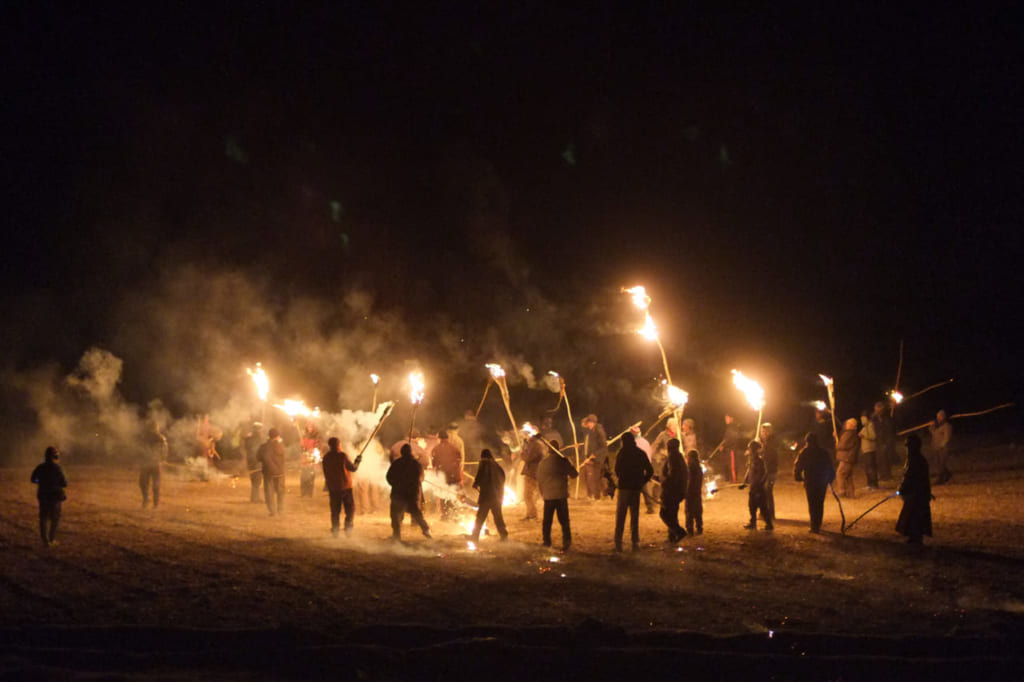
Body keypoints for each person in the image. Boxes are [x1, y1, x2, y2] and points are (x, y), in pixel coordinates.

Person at [612, 432, 655, 551]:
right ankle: (635, 542)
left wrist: (622, 478)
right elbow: (650, 471)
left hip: (624, 488)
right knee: (634, 516)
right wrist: (642, 481)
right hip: (636, 488)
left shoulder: (621, 453)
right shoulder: (640, 453)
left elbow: (617, 470)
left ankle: (618, 543)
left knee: (621, 516)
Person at [537, 440, 578, 551]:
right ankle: (566, 542)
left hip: (549, 496)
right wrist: (570, 464)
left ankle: (546, 541)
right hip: (560, 495)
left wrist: (542, 493)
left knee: (547, 521)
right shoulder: (563, 461)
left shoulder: (543, 462)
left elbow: (539, 480)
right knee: (564, 520)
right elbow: (574, 474)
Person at [386, 444, 431, 541]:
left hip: (398, 493)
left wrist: (395, 484)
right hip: (411, 494)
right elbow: (421, 478)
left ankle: (396, 535)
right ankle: (426, 531)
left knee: (395, 515)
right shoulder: (416, 464)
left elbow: (389, 477)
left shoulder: (396, 463)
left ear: (402, 453)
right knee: (417, 514)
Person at [793, 432, 836, 533]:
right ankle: (817, 524)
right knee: (819, 503)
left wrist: (798, 477)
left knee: (812, 503)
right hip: (822, 481)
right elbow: (830, 466)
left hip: (810, 481)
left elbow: (798, 466)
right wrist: (830, 478)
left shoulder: (804, 452)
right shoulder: (823, 452)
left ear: (807, 441)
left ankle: (814, 526)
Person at [896, 434, 933, 544]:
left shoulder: (915, 460)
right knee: (914, 515)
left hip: (916, 494)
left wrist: (902, 488)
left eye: (907, 446)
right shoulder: (917, 459)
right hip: (917, 494)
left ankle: (915, 537)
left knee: (914, 515)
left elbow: (909, 477)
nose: (906, 449)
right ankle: (914, 537)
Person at [321, 437, 361, 536]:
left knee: (335, 511)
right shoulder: (342, 456)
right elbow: (353, 468)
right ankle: (348, 529)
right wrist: (358, 461)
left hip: (333, 488)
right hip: (345, 487)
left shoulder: (326, 458)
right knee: (350, 509)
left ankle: (335, 531)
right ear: (338, 445)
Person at [31, 446, 67, 547]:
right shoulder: (57, 468)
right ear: (55, 456)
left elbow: (33, 479)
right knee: (54, 519)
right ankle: (51, 539)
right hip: (55, 497)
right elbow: (64, 483)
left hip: (43, 496)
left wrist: (41, 482)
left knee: (43, 518)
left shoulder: (40, 467)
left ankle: (45, 541)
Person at [471, 449, 509, 542]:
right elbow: (503, 478)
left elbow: (480, 476)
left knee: (480, 516)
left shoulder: (484, 464)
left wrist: (476, 483)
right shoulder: (497, 465)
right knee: (498, 516)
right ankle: (504, 535)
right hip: (497, 496)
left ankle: (475, 536)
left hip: (487, 496)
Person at [656, 438, 687, 544]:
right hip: (677, 491)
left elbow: (673, 475)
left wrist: (664, 483)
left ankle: (679, 531)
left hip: (672, 492)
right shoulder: (678, 456)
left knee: (664, 513)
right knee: (672, 514)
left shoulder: (673, 457)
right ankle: (672, 536)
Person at [740, 441, 772, 530]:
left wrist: (757, 485)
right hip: (753, 487)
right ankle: (753, 523)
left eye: (750, 448)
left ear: (753, 450)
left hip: (758, 488)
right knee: (752, 506)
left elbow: (763, 474)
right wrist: (745, 482)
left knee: (763, 507)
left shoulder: (759, 461)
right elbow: (749, 471)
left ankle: (769, 524)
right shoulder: (751, 460)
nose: (748, 450)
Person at [432, 430, 463, 520]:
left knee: (443, 495)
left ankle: (445, 515)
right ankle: (454, 514)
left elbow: (434, 464)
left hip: (442, 477)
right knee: (453, 494)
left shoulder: (436, 449)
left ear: (439, 438)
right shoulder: (454, 448)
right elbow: (459, 461)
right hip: (454, 476)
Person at [579, 414, 609, 500]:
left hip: (599, 458)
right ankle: (597, 495)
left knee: (597, 477)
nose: (588, 425)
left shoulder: (599, 431)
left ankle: (597, 496)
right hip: (593, 458)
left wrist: (595, 454)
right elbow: (590, 445)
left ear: (593, 423)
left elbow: (603, 447)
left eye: (589, 422)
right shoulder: (591, 431)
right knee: (594, 477)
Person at [259, 428, 287, 516]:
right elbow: (285, 458)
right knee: (280, 492)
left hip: (269, 473)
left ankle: (272, 511)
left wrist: (271, 467)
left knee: (269, 492)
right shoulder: (281, 446)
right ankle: (280, 509)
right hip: (280, 472)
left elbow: (258, 457)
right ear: (278, 436)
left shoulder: (264, 446)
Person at [140, 421, 167, 509]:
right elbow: (165, 450)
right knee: (153, 483)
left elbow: (164, 450)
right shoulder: (160, 438)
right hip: (152, 463)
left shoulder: (146, 437)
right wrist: (162, 459)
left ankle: (148, 500)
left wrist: (162, 458)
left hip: (149, 463)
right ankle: (153, 502)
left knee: (145, 483)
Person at [520, 428, 545, 521]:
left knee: (528, 494)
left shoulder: (536, 445)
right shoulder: (533, 444)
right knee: (529, 495)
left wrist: (522, 454)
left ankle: (532, 515)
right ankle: (530, 514)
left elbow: (528, 458)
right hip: (533, 472)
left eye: (526, 435)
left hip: (532, 472)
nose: (526, 437)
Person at [835, 418, 860, 498]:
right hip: (849, 457)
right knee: (848, 476)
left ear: (851, 425)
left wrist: (837, 445)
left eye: (848, 423)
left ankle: (842, 491)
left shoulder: (849, 434)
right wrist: (836, 437)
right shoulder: (851, 434)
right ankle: (851, 493)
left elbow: (842, 445)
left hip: (846, 458)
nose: (846, 424)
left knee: (840, 474)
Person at [872, 400, 897, 481]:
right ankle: (883, 475)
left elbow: (890, 428)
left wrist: (892, 406)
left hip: (887, 440)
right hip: (879, 441)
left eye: (878, 408)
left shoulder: (886, 417)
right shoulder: (875, 418)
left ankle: (888, 475)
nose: (876, 410)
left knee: (887, 458)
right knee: (881, 459)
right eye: (875, 408)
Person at [759, 423, 779, 522]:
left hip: (770, 470)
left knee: (767, 491)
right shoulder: (768, 442)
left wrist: (760, 451)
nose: (762, 433)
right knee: (766, 491)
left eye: (763, 431)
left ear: (768, 432)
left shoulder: (771, 443)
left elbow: (767, 456)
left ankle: (770, 513)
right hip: (769, 470)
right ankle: (766, 513)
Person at [929, 410, 954, 485]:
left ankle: (940, 480)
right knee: (937, 464)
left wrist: (942, 445)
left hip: (943, 448)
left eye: (940, 417)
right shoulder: (938, 426)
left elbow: (947, 438)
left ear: (943, 417)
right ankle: (948, 474)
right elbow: (933, 433)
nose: (938, 418)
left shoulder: (947, 426)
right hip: (936, 447)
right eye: (937, 417)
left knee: (941, 465)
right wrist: (931, 426)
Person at [684, 450, 704, 536]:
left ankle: (690, 529)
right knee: (698, 511)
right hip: (697, 492)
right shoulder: (699, 468)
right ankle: (699, 527)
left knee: (689, 511)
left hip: (690, 492)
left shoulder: (690, 468)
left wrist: (686, 490)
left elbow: (689, 480)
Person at [244, 422, 264, 503]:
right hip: (256, 461)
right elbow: (258, 450)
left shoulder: (249, 437)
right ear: (258, 429)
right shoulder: (257, 438)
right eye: (261, 429)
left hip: (250, 461)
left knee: (254, 481)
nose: (262, 431)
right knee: (257, 480)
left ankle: (254, 498)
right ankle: (255, 499)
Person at [858, 411, 879, 490]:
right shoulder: (864, 428)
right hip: (865, 450)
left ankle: (873, 484)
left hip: (870, 450)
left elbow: (873, 436)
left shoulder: (870, 426)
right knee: (867, 468)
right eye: (861, 419)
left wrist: (864, 436)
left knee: (871, 468)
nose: (862, 420)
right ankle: (869, 484)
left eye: (863, 418)